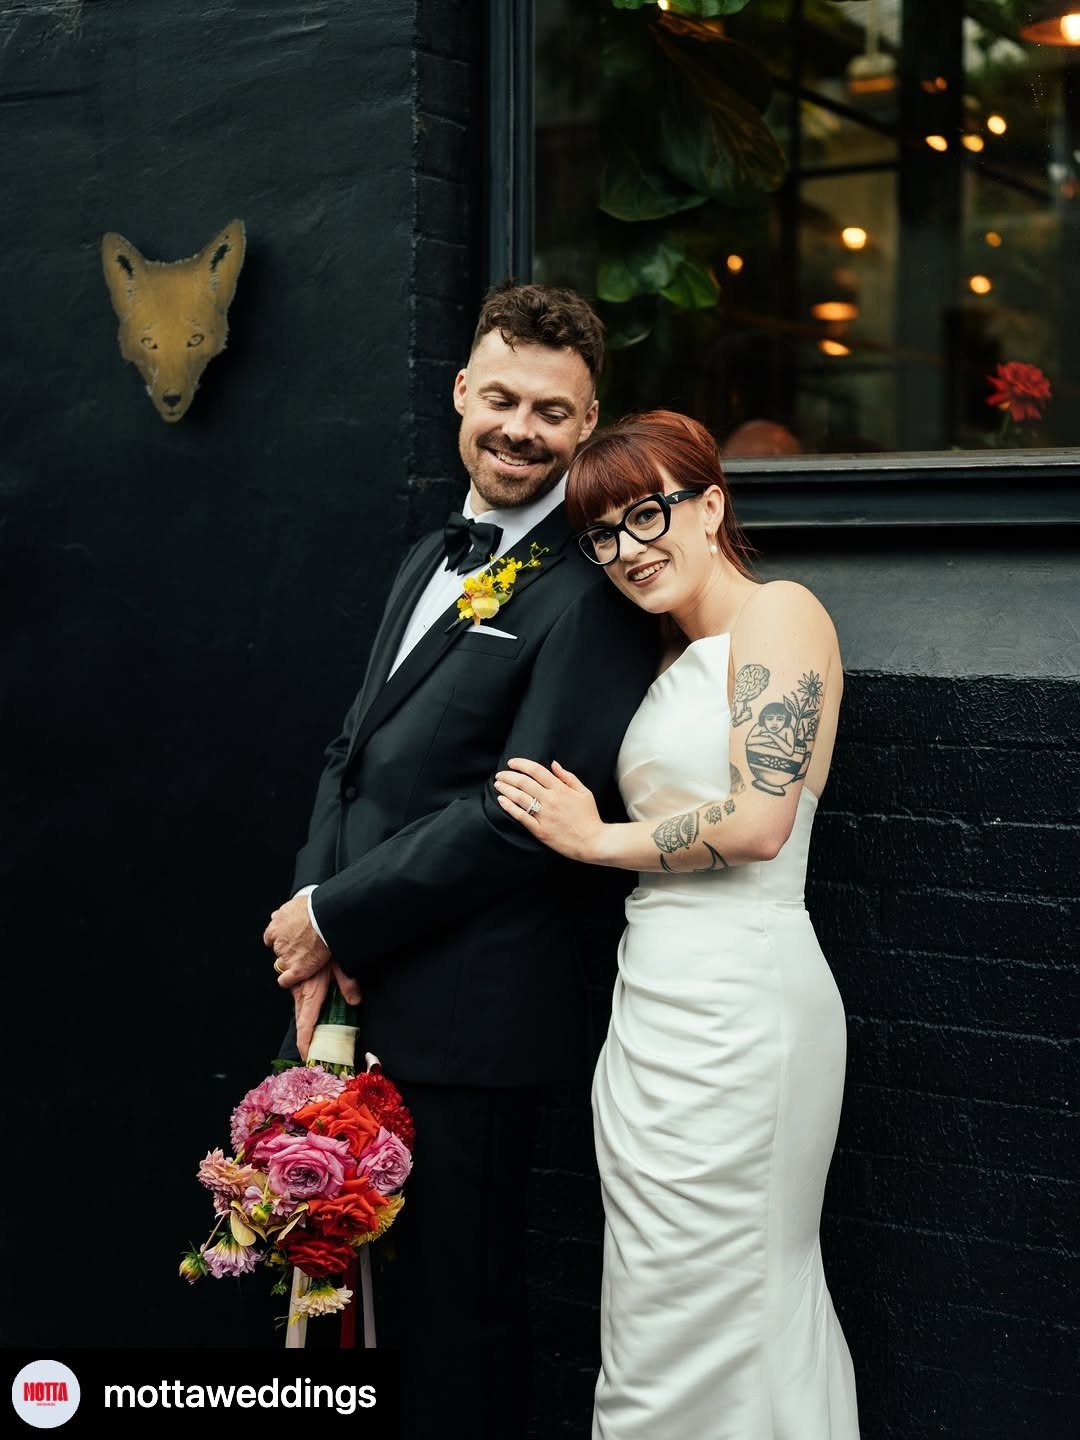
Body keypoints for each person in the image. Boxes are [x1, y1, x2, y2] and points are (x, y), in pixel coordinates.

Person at [261, 283, 660, 1440]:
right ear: (460, 394)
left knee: (456, 1319)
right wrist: (312, 931)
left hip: (469, 1024)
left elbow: (516, 813)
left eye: (551, 410)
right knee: (340, 1303)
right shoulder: (428, 555)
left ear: (587, 427)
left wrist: (337, 915)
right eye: (501, 398)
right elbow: (354, 756)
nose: (519, 428)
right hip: (352, 991)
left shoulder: (588, 598)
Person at [494, 410, 860, 1439]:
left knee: (730, 1293)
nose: (625, 548)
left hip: (744, 1003)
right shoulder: (664, 659)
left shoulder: (780, 615)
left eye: (645, 513)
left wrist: (593, 838)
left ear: (711, 504)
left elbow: (757, 821)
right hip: (653, 1002)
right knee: (653, 1300)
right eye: (601, 533)